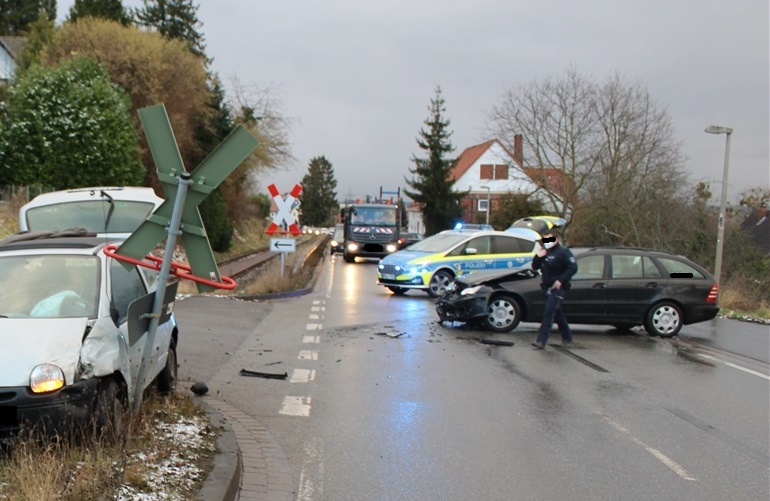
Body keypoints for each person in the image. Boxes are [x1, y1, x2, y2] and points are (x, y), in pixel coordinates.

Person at [531, 229, 578, 349]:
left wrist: (560, 280)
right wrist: (538, 256)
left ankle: (541, 340)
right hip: (546, 287)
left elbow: (573, 268)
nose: (546, 242)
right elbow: (535, 267)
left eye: (549, 239)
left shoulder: (563, 252)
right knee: (557, 313)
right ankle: (567, 338)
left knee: (548, 311)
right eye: (545, 239)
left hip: (558, 288)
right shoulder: (545, 252)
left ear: (555, 239)